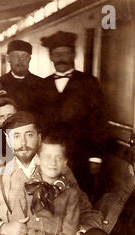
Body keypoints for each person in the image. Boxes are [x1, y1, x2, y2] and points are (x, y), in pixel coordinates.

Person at [39, 31, 108, 197]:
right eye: (56, 54)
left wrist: (96, 157)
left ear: (74, 54)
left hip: (81, 157)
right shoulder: (42, 85)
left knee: (80, 197)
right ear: (51, 56)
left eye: (65, 53)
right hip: (50, 157)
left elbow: (99, 121)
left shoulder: (89, 83)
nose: (61, 58)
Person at [0, 40, 45, 116]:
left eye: (24, 56)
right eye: (15, 56)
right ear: (8, 58)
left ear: (29, 59)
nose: (20, 60)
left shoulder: (42, 84)